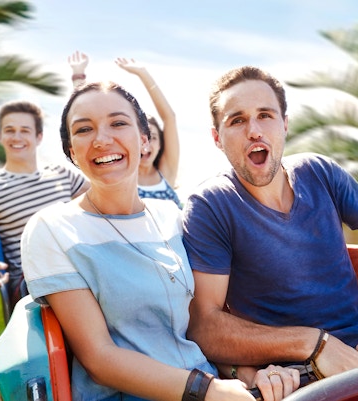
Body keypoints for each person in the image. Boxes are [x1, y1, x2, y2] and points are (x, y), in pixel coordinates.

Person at [20, 81, 300, 401]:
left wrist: (246, 373)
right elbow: (98, 357)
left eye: (118, 123)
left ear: (144, 140)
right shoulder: (51, 229)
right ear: (71, 150)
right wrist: (207, 390)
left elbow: (196, 325)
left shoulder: (172, 216)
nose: (101, 139)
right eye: (84, 130)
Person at [182, 66, 358, 383]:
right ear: (217, 137)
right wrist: (312, 343)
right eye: (237, 120)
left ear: (284, 124)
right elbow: (204, 326)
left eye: (265, 115)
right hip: (295, 377)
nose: (254, 130)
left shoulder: (320, 171)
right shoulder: (210, 205)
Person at [0, 100, 89, 308]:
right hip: (31, 284)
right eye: (10, 130)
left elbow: (105, 203)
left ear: (38, 137)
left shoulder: (65, 175)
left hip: (79, 268)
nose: (17, 137)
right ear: (1, 136)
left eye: (25, 130)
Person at [68, 51, 182, 207]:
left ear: (161, 144)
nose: (146, 143)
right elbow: (82, 112)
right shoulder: (120, 177)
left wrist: (143, 73)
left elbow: (170, 118)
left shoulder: (166, 172)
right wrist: (78, 76)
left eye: (153, 137)